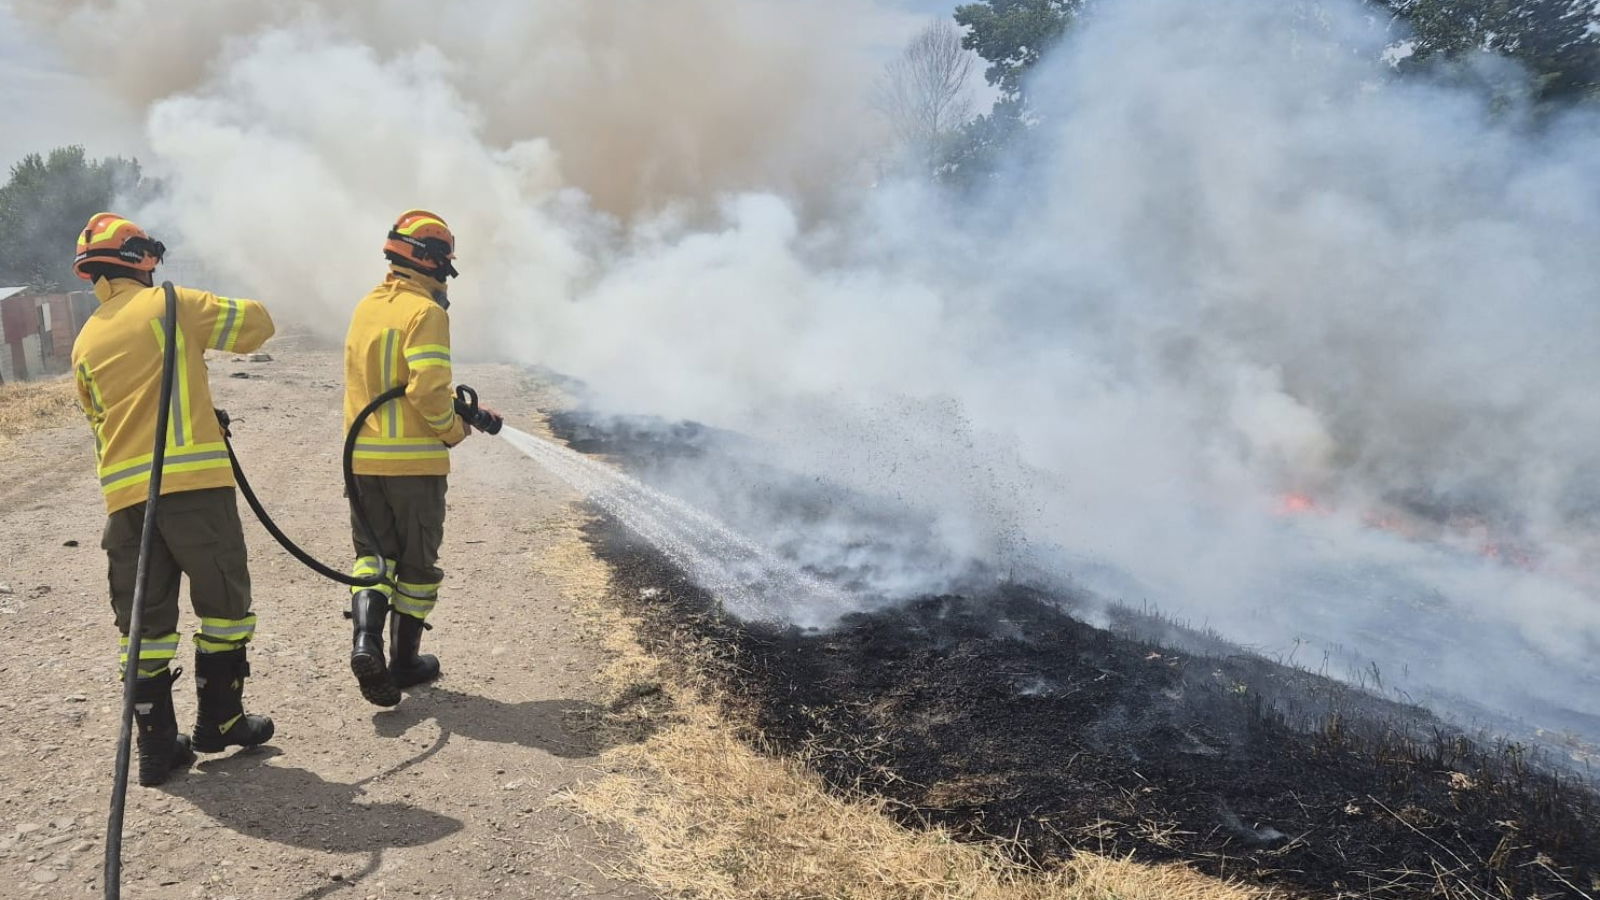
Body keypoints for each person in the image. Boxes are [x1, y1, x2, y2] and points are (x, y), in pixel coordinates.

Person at [70, 213, 277, 786]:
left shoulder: (86, 340)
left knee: (145, 623)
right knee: (226, 608)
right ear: (140, 257)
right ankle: (221, 722)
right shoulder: (171, 304)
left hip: (125, 500)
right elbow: (256, 327)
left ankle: (157, 750)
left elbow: (100, 419)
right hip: (192, 491)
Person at [343, 210, 489, 707]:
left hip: (362, 462)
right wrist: (452, 429)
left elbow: (387, 386)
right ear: (431, 262)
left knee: (371, 559)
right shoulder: (426, 313)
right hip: (413, 465)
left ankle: (365, 644)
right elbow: (427, 390)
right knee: (417, 567)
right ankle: (403, 662)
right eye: (445, 264)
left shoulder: (367, 307)